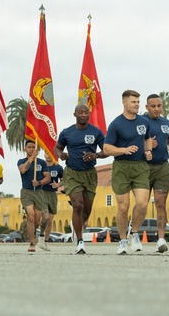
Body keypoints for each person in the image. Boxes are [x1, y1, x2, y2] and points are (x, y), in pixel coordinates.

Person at [103, 89, 155, 255]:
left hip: (140, 167)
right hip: (121, 167)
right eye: (134, 102)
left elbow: (147, 138)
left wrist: (147, 150)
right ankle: (123, 240)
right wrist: (123, 150)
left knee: (142, 203)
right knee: (123, 207)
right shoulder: (116, 124)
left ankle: (134, 232)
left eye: (138, 102)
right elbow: (106, 148)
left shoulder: (143, 122)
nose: (137, 105)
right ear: (124, 103)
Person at [55, 103, 106, 255]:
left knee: (86, 210)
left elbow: (106, 150)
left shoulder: (96, 132)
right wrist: (61, 155)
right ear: (75, 114)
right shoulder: (67, 132)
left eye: (86, 112)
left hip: (90, 173)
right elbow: (57, 147)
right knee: (78, 205)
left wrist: (96, 155)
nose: (84, 114)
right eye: (80, 112)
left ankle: (76, 226)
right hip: (72, 173)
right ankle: (80, 241)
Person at [141, 93, 169, 253]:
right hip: (144, 167)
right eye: (153, 106)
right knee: (142, 204)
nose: (156, 109)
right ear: (147, 107)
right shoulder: (140, 121)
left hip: (162, 166)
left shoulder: (166, 123)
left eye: (159, 106)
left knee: (161, 204)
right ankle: (133, 233)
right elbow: (130, 141)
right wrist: (146, 144)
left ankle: (161, 239)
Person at [17, 139, 50, 252]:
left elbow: (47, 177)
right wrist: (31, 158)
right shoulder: (21, 161)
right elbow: (22, 170)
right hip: (26, 192)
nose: (31, 149)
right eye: (29, 147)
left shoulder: (42, 163)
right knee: (30, 216)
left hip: (39, 192)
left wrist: (39, 182)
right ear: (25, 149)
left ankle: (32, 232)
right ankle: (31, 243)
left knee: (36, 220)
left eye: (33, 147)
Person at [40, 153, 64, 250]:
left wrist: (58, 185)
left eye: (50, 153)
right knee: (45, 217)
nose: (49, 155)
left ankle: (46, 241)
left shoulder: (58, 167)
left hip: (53, 195)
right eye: (47, 153)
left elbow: (63, 180)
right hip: (42, 193)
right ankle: (41, 236)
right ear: (44, 155)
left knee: (50, 221)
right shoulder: (40, 166)